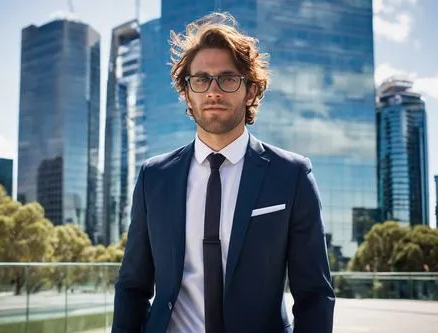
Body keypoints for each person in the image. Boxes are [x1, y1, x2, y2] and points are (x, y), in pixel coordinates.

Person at [112, 12, 335, 333]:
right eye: (200, 79)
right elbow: (133, 285)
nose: (213, 91)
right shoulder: (154, 177)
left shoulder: (292, 174)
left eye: (228, 78)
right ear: (187, 93)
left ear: (251, 91)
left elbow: (314, 292)